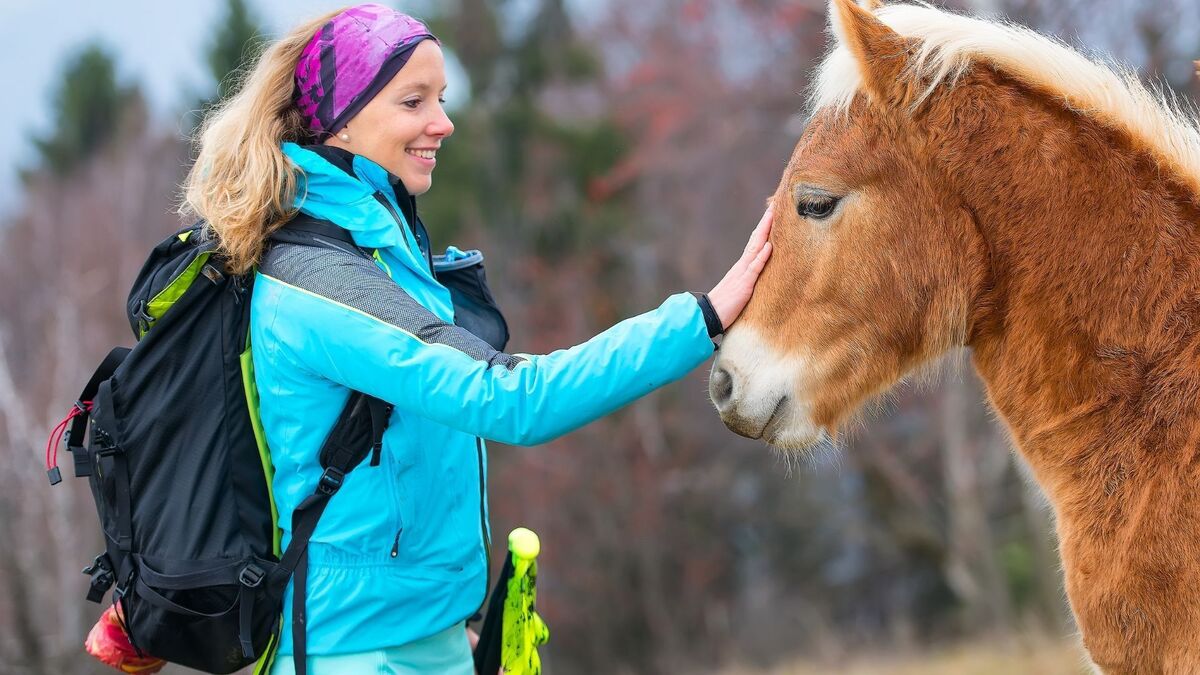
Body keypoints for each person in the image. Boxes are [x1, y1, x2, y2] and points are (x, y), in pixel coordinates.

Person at [179, 4, 773, 674]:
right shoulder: (318, 282)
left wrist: (441, 624)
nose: (443, 121)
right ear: (340, 119)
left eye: (441, 98)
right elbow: (511, 401)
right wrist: (703, 319)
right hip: (353, 654)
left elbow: (407, 466)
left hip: (419, 643)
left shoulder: (382, 250)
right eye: (413, 101)